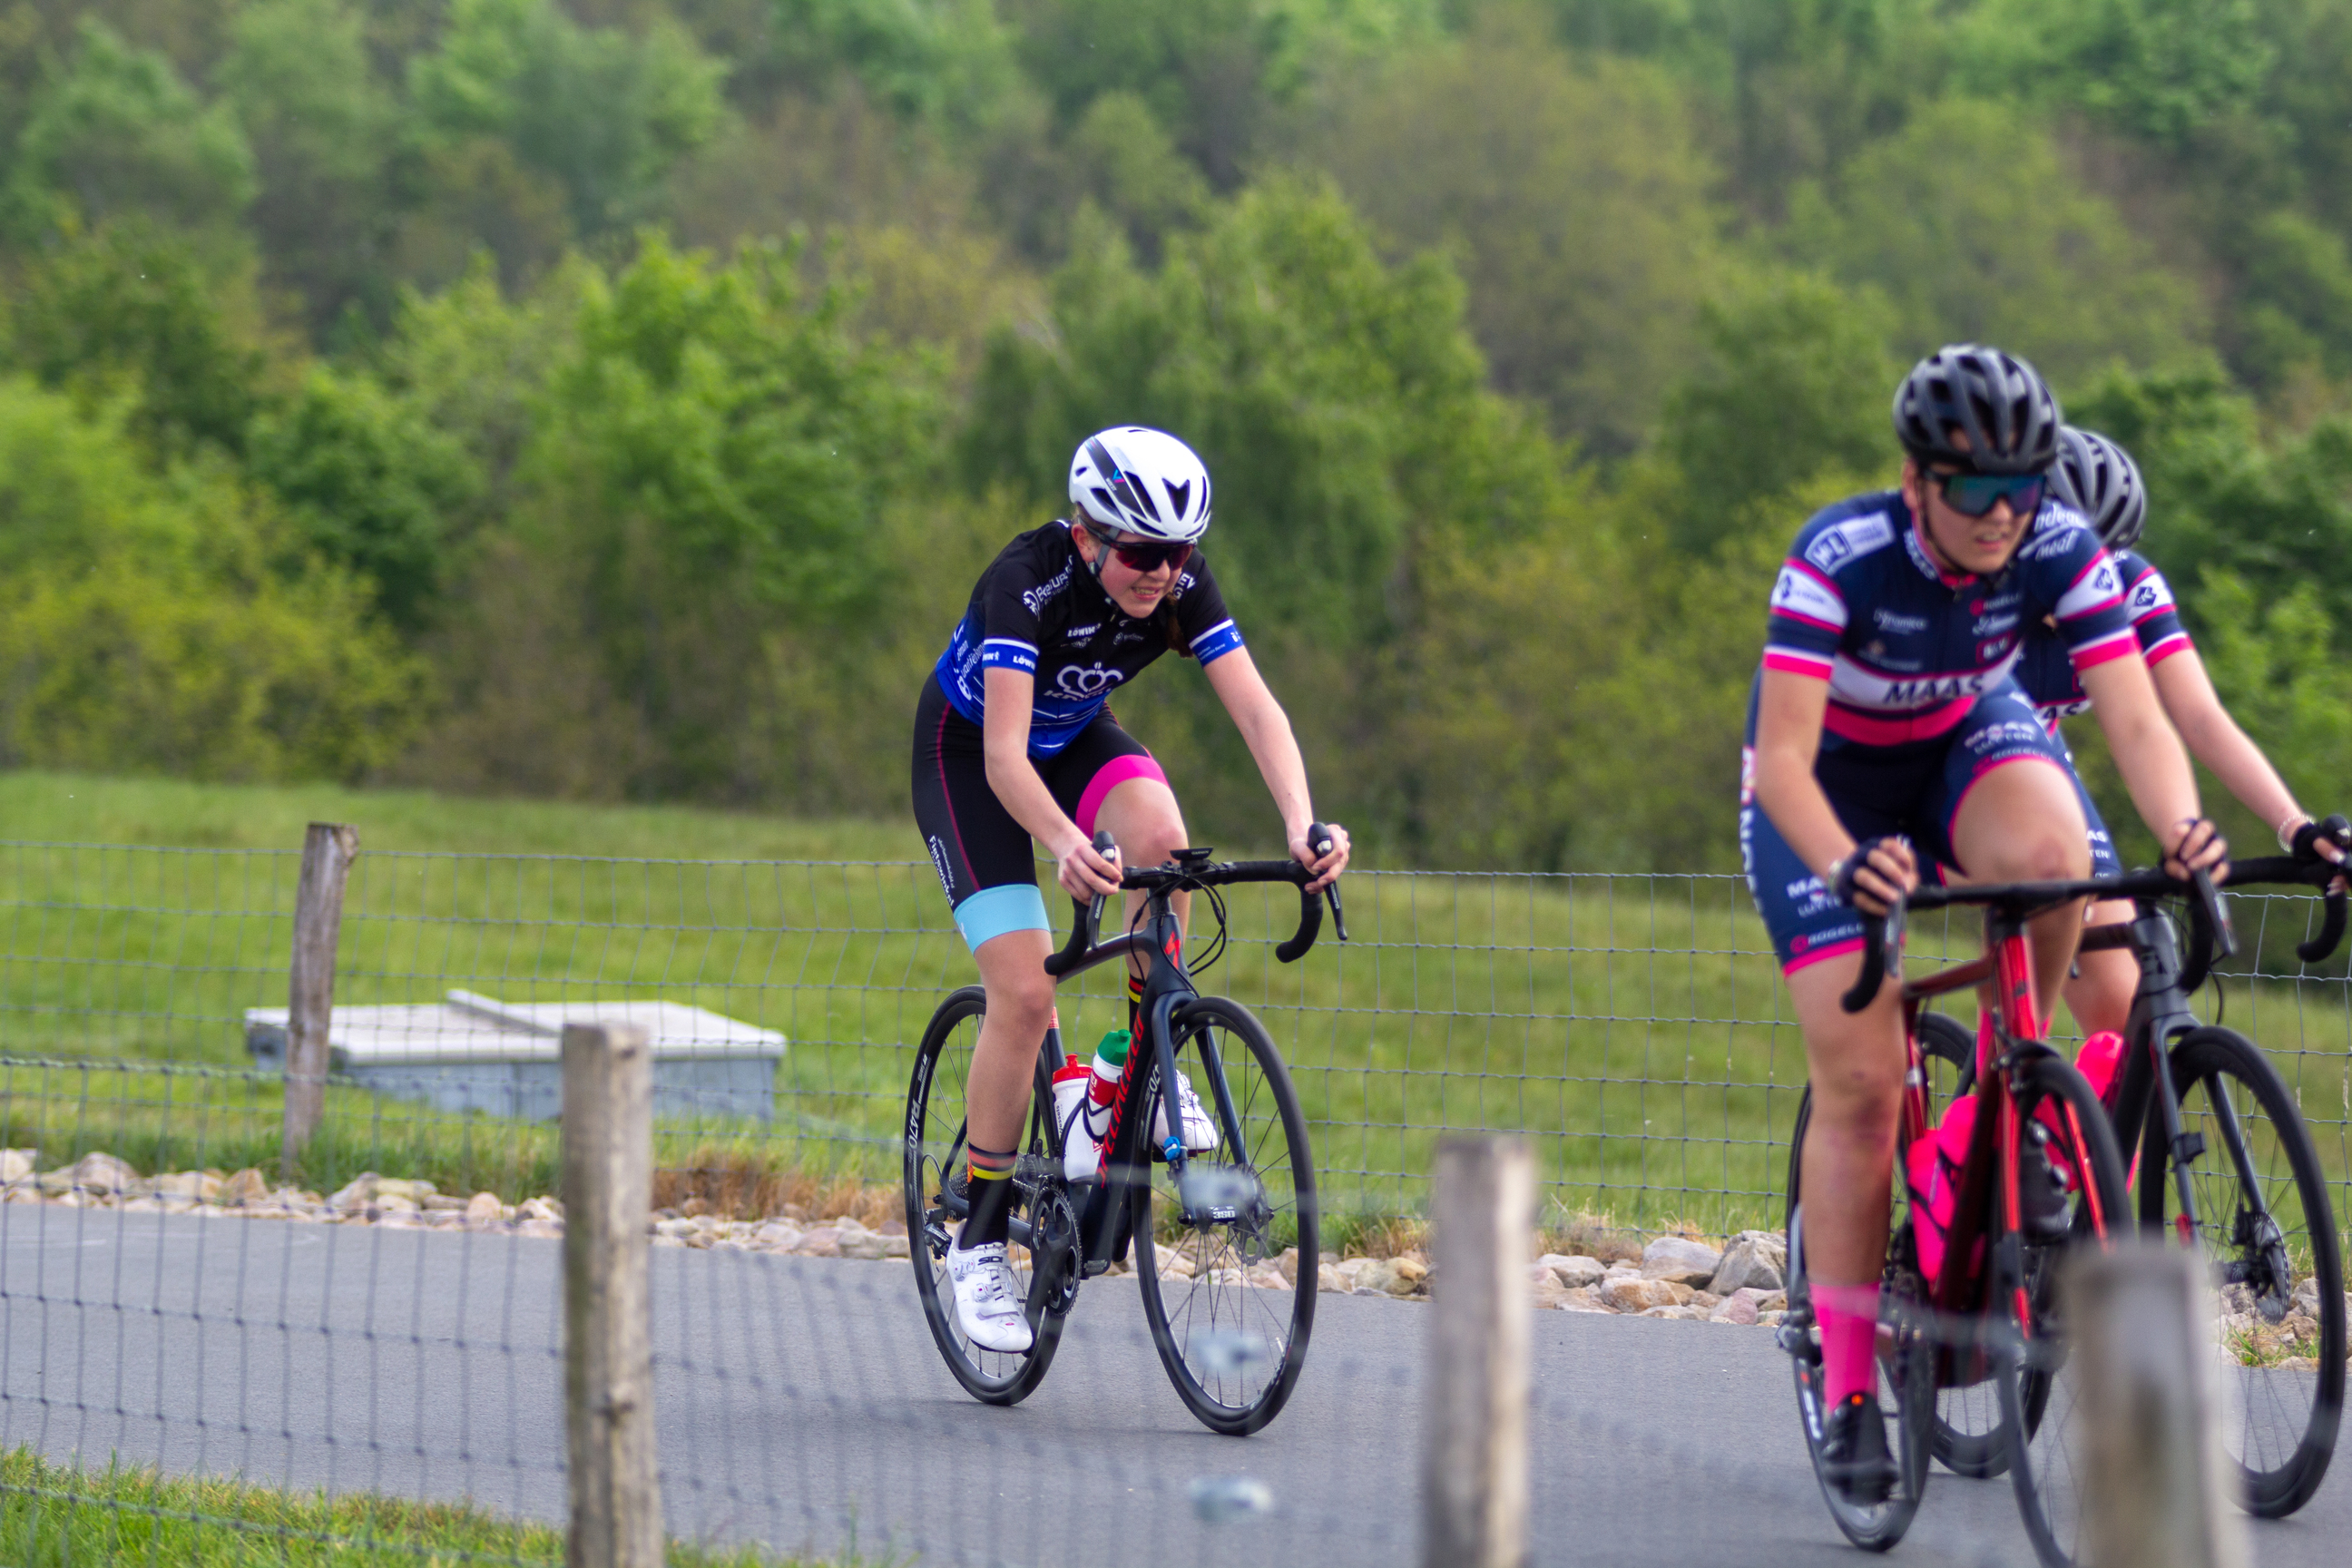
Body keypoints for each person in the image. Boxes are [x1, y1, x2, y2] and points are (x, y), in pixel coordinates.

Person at [1740, 345, 2228, 1502]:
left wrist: (2187, 836)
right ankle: (1852, 1381)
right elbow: (1789, 766)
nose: (2002, 512)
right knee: (1860, 1087)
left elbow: (2148, 725)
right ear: (1916, 481)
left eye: (2022, 487)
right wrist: (1850, 865)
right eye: (1973, 490)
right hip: (1827, 798)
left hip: (1959, 747)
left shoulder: (2056, 545)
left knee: (2062, 862)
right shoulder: (1835, 558)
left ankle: (2014, 1091)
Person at [912, 426, 1349, 1355]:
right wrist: (1066, 844)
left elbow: (1258, 709)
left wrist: (1302, 825)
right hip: (971, 760)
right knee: (1027, 993)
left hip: (1071, 739)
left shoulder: (1181, 586)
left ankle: (1132, 1069)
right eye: (1144, 554)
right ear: (1088, 536)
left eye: (1180, 553)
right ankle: (980, 1240)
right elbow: (1001, 757)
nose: (1163, 574)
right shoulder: (1025, 583)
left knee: (1168, 846)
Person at [2013, 426, 2349, 1035]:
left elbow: (2197, 716)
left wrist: (2295, 826)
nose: (2082, 582)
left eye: (2099, 563)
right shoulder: (1973, 590)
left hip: (2037, 761)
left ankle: (2097, 1130)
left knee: (2123, 1019)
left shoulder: (2127, 587)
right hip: (1933, 760)